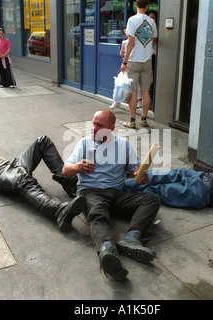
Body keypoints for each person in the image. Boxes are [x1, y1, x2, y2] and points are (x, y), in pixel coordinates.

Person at [62, 110, 161, 281]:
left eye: (99, 125)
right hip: (90, 191)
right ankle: (107, 250)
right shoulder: (84, 143)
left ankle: (131, 238)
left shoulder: (123, 144)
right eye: (93, 123)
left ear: (111, 128)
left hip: (116, 193)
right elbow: (65, 170)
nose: (94, 128)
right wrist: (77, 167)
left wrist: (140, 174)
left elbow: (134, 168)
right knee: (97, 213)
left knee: (152, 200)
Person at [121, 0, 157, 129]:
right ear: (147, 6)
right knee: (146, 91)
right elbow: (154, 38)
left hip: (134, 61)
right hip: (147, 61)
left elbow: (130, 43)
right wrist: (147, 49)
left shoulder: (132, 20)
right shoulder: (152, 21)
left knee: (133, 91)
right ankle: (144, 119)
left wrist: (125, 62)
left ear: (136, 5)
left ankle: (131, 120)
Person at [110, 27, 142, 110]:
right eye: (125, 32)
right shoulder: (126, 42)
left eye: (126, 32)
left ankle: (137, 101)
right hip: (126, 64)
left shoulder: (132, 42)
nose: (126, 34)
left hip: (132, 63)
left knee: (134, 83)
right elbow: (121, 54)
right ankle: (117, 100)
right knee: (120, 82)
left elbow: (122, 54)